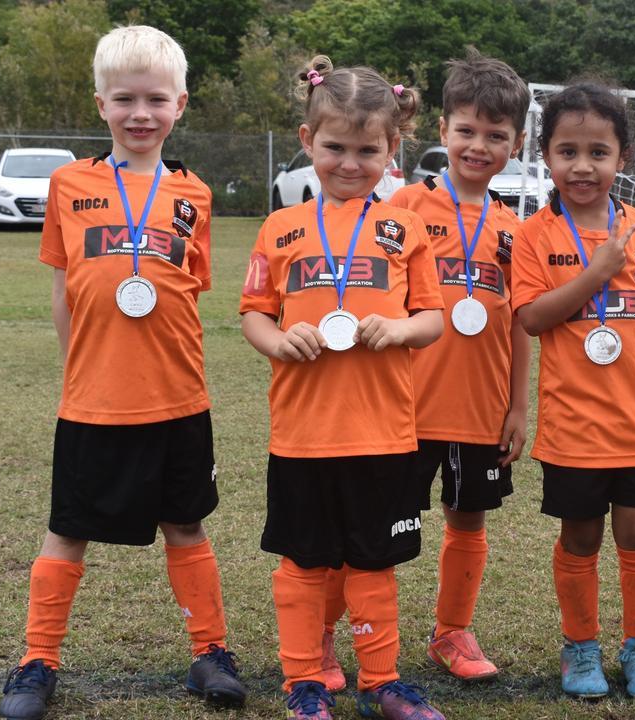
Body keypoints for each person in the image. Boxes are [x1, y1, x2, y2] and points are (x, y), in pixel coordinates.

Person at [0, 25, 244, 720]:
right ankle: (38, 658)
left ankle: (212, 652)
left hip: (177, 398)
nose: (142, 113)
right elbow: (63, 288)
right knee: (67, 528)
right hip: (93, 398)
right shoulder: (69, 184)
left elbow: (185, 292)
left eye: (156, 99)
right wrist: (78, 368)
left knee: (187, 525)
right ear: (101, 103)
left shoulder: (193, 193)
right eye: (126, 98)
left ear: (181, 105)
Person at [239, 56, 447, 720]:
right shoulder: (279, 229)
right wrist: (277, 342)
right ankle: (304, 683)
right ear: (308, 143)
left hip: (383, 431)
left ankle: (382, 680)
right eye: (335, 147)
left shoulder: (405, 229)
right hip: (301, 434)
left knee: (373, 562)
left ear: (392, 151)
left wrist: (401, 327)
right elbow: (254, 314)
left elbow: (434, 318)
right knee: (303, 563)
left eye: (368, 149)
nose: (350, 162)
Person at [511, 81, 635, 701]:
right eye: (566, 152)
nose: (582, 166)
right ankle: (580, 646)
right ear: (546, 157)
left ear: (623, 157)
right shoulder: (534, 235)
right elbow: (531, 318)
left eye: (597, 152)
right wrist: (596, 274)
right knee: (580, 536)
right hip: (573, 428)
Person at [378, 48, 532, 683]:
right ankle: (356, 633)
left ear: (516, 143)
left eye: (496, 135)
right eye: (466, 130)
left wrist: (519, 406)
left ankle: (452, 632)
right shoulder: (406, 209)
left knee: (467, 518)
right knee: (375, 527)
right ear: (442, 131)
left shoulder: (513, 230)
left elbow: (519, 323)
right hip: (402, 406)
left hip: (479, 408)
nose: (479, 145)